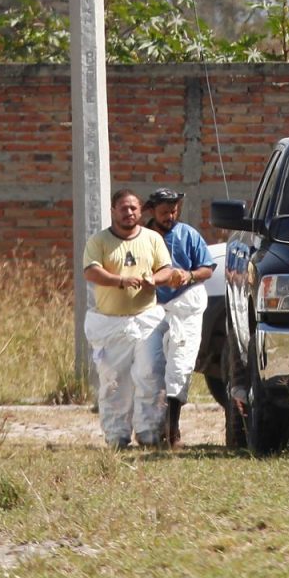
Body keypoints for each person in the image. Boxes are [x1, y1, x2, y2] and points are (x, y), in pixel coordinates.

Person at [82, 188, 175, 448]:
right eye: (123, 208)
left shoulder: (152, 238)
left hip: (147, 319)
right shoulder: (99, 242)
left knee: (150, 372)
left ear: (140, 210)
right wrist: (120, 281)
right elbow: (91, 272)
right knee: (115, 382)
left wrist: (152, 280)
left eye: (134, 208)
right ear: (113, 211)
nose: (129, 213)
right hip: (111, 323)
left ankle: (148, 433)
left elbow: (166, 270)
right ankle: (116, 436)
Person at [145, 187, 216, 448]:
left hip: (185, 306)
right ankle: (150, 428)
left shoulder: (188, 234)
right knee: (150, 367)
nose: (170, 216)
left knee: (179, 366)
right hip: (151, 308)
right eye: (164, 212)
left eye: (174, 211)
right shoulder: (142, 237)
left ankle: (172, 430)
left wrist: (190, 275)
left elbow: (207, 268)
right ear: (152, 211)